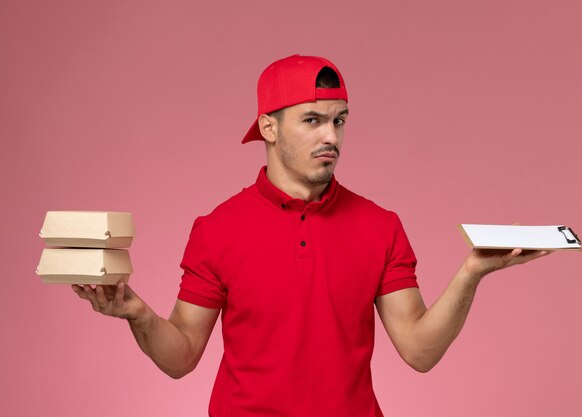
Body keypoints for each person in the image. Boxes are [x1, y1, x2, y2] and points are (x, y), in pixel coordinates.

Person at [71, 54, 551, 416]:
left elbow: (419, 351)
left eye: (339, 120)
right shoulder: (217, 230)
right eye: (313, 120)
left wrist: (471, 273)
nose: (332, 137)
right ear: (268, 128)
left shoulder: (380, 226)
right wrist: (135, 313)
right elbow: (182, 356)